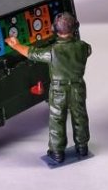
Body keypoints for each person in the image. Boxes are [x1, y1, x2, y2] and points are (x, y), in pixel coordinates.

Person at [6, 12, 91, 164]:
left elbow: (31, 53)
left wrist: (16, 45)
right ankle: (82, 147)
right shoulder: (84, 47)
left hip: (58, 91)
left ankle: (57, 153)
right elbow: (88, 50)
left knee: (57, 120)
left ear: (54, 30)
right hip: (78, 88)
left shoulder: (52, 51)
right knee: (80, 117)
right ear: (75, 27)